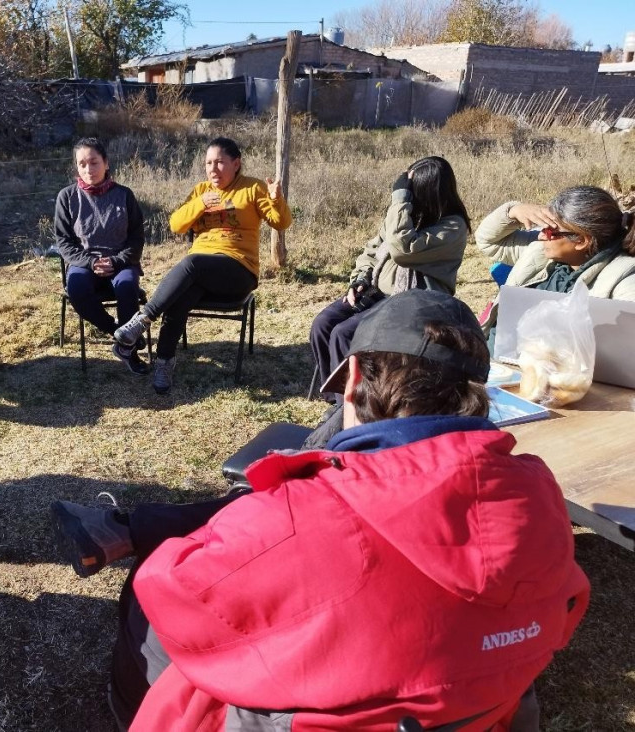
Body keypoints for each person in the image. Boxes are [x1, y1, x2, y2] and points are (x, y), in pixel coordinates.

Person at [52, 289, 590, 731]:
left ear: (353, 380)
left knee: (144, 597)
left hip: (314, 719)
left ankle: (125, 710)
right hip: (473, 711)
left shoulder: (293, 517)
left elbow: (174, 591)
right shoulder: (540, 495)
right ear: (479, 396)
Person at [114, 137, 291, 394]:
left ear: (236, 163)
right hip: (200, 273)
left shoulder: (252, 188)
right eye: (208, 163)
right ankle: (164, 362)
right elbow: (176, 225)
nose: (213, 169)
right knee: (180, 296)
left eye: (220, 162)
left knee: (192, 262)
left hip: (238, 272)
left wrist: (276, 198)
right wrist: (200, 204)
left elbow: (280, 222)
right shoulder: (201, 191)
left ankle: (143, 318)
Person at [309, 156, 470, 399]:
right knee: (323, 324)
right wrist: (360, 279)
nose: (406, 193)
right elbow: (373, 249)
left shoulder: (452, 228)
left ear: (427, 192)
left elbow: (402, 248)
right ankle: (335, 398)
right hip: (378, 292)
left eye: (410, 189)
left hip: (414, 302)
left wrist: (399, 202)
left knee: (345, 333)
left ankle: (350, 405)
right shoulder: (404, 216)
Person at [476, 185, 635, 341]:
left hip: (537, 365)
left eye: (550, 231)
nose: (541, 236)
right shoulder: (540, 252)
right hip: (490, 356)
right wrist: (512, 211)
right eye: (542, 228)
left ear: (581, 240)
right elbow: (488, 241)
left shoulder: (624, 279)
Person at [55, 137, 148, 375]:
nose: (89, 169)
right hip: (84, 263)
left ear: (106, 163)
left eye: (94, 162)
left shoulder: (124, 195)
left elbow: (137, 237)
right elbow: (64, 242)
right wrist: (91, 262)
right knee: (76, 288)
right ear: (76, 166)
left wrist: (116, 261)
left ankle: (131, 354)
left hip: (121, 261)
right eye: (82, 164)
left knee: (128, 286)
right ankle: (120, 335)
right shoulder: (67, 197)